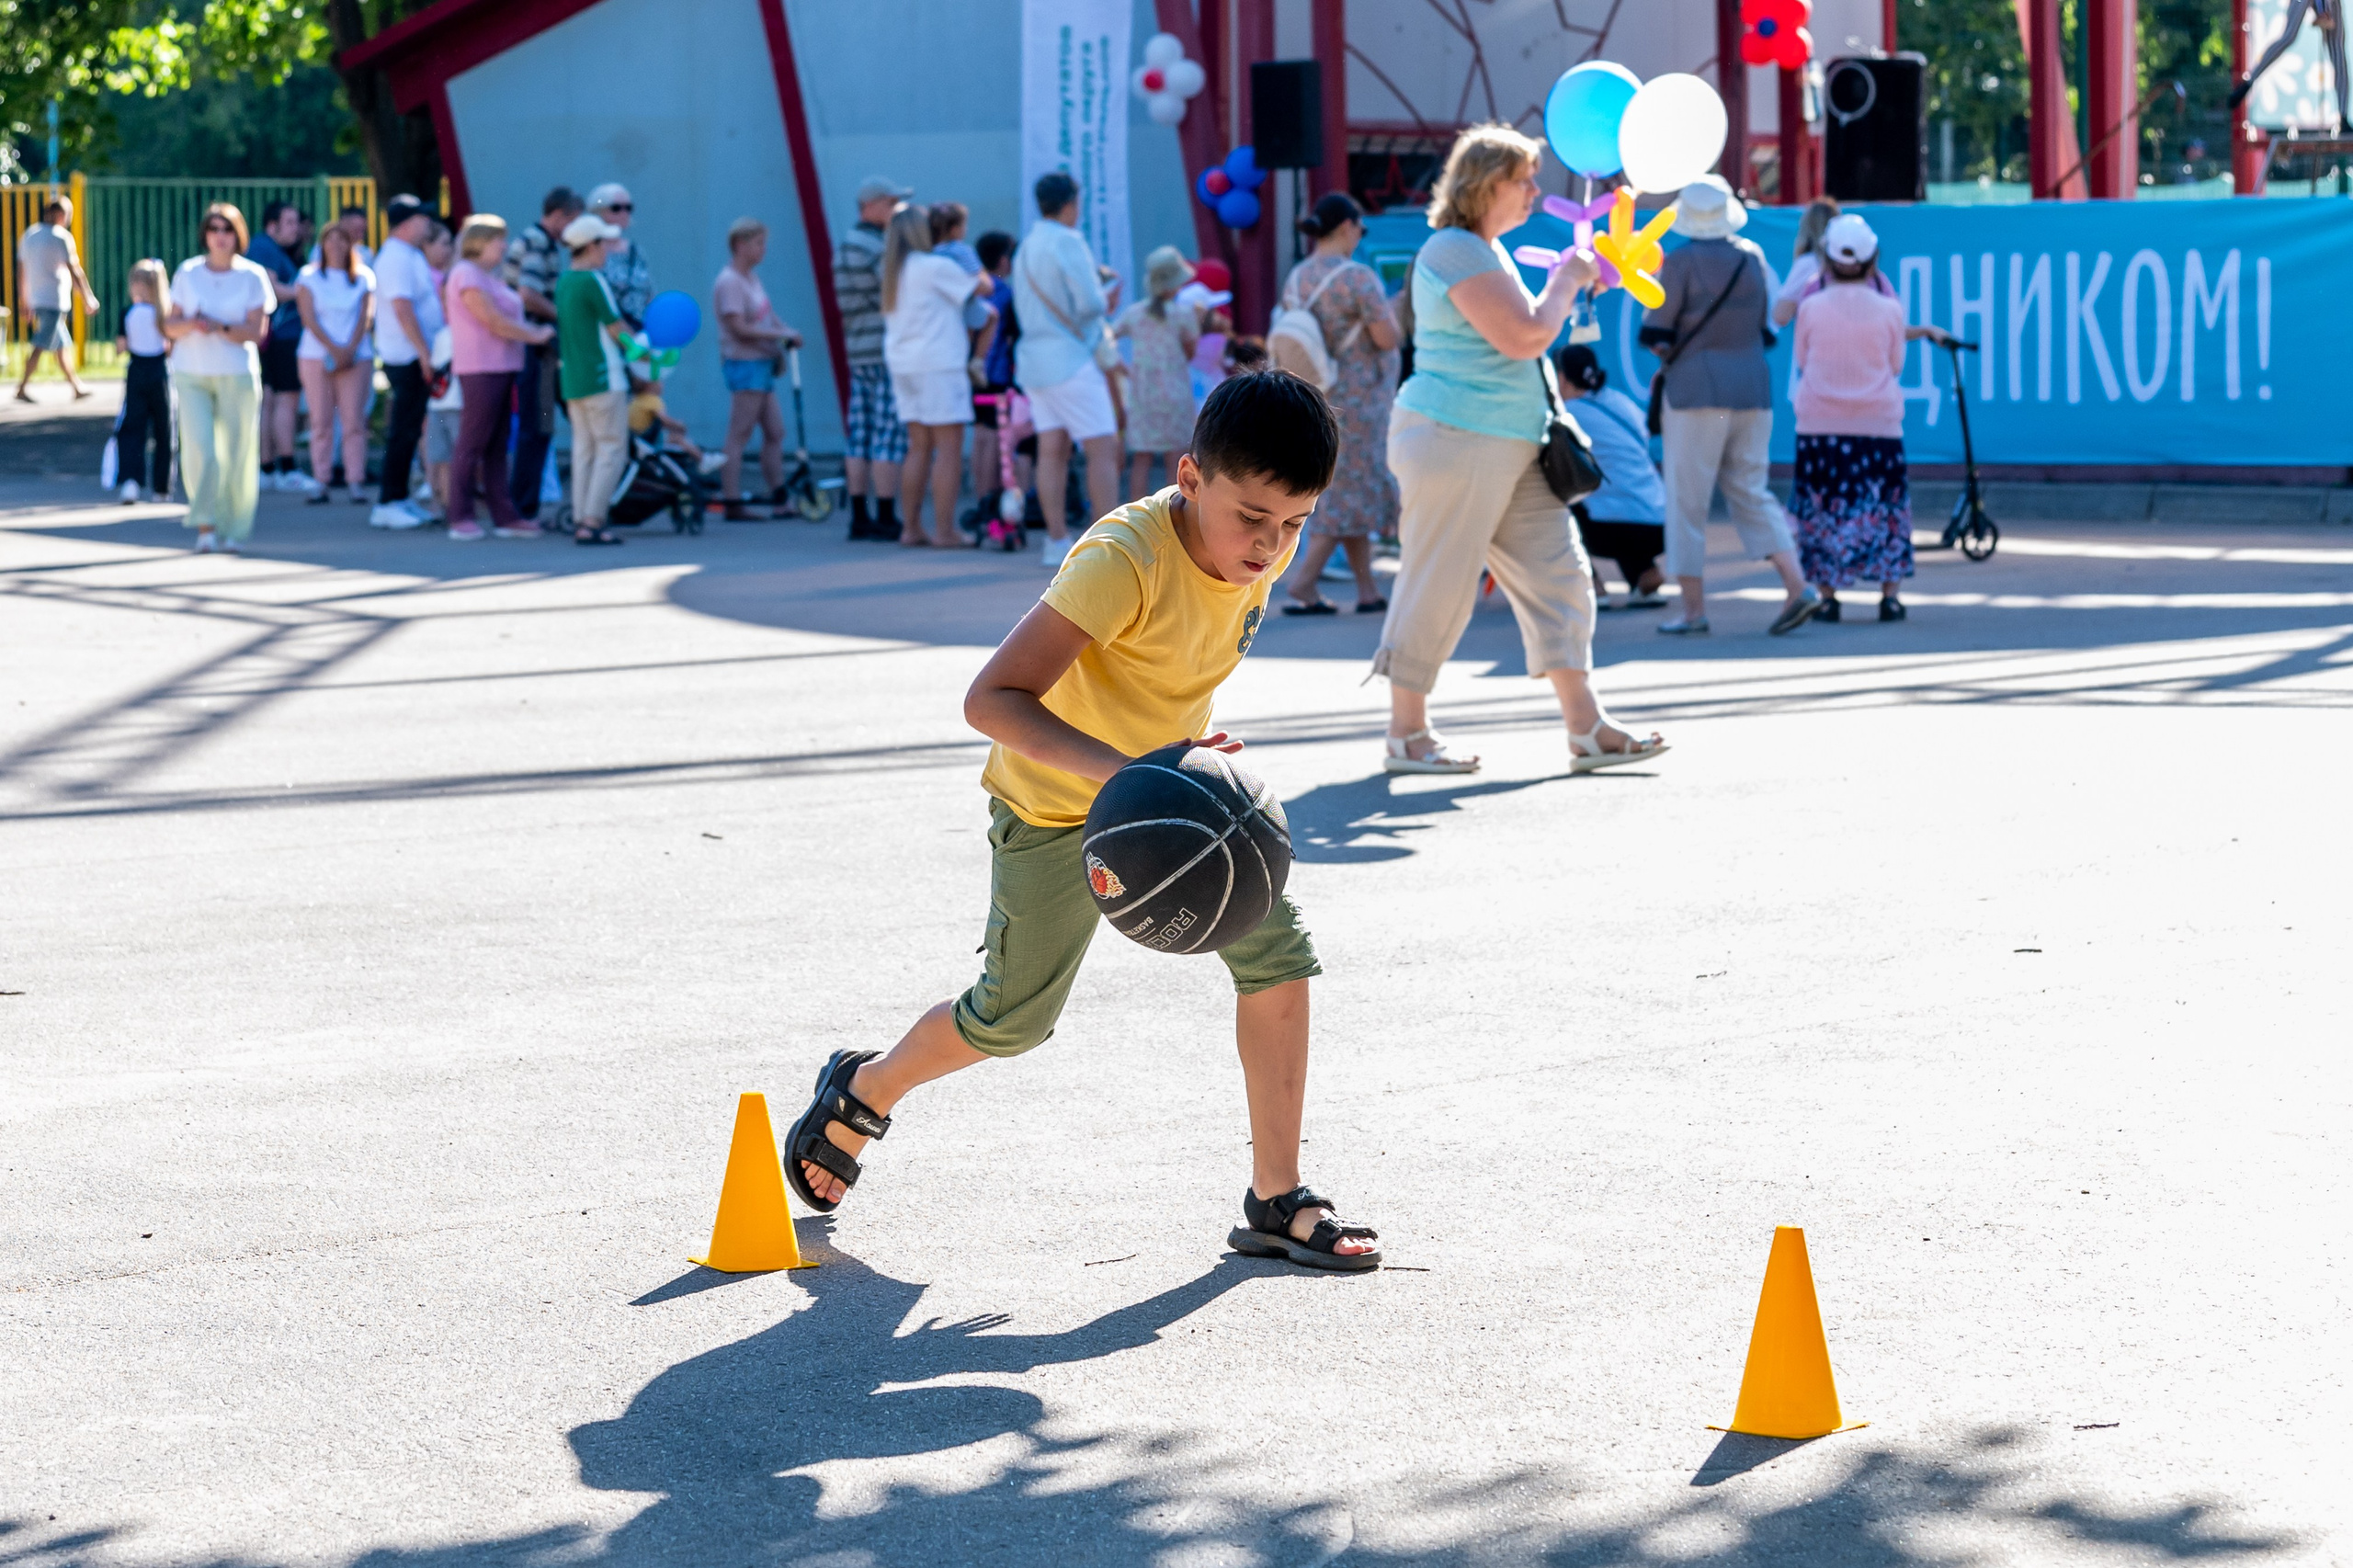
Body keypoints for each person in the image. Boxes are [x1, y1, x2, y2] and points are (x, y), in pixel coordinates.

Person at [779, 370, 1381, 1273]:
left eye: (1293, 522)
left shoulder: (1264, 544)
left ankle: (1275, 1195)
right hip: (1056, 805)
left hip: (1170, 798)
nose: (1270, 544)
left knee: (1278, 957)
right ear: (1189, 474)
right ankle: (862, 1088)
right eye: (1252, 516)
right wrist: (1135, 772)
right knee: (1011, 1019)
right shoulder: (1122, 560)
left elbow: (1170, 661)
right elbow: (992, 698)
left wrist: (1179, 749)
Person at [1371, 123, 1665, 778]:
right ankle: (1406, 733)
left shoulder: (1479, 249)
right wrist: (1565, 278)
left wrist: (1569, 287)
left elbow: (1524, 330)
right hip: (1456, 438)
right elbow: (1527, 335)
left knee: (1563, 575)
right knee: (1438, 584)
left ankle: (1587, 727)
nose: (1536, 189)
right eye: (1524, 178)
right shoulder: (1453, 248)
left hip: (1503, 442)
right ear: (1485, 184)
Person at [1642, 175, 1820, 637]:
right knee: (1751, 490)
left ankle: (1693, 609)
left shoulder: (1679, 263)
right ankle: (1797, 584)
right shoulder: (1753, 259)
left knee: (1688, 501)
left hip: (1698, 395)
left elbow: (1657, 332)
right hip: (1752, 392)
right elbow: (1768, 329)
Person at [1790, 214, 1939, 623]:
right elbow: (1895, 364)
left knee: (1823, 510)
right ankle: (1889, 597)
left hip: (1819, 424)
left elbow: (1803, 360)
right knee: (1886, 508)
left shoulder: (1811, 306)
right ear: (1874, 259)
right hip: (1879, 425)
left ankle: (1829, 594)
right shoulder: (1891, 310)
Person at [1276, 193, 1400, 618]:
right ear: (1347, 226)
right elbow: (1387, 338)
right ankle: (1303, 582)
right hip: (1359, 402)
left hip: (1314, 396)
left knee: (1350, 490)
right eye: (1360, 228)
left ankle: (1367, 591)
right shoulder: (1358, 278)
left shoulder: (1297, 277)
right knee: (1343, 495)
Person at [1012, 170, 1121, 569]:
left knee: (1051, 451)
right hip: (1071, 359)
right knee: (1101, 448)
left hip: (1035, 361)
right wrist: (1106, 291)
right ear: (1071, 203)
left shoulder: (1026, 246)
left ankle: (1056, 539)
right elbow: (1091, 304)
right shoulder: (1068, 240)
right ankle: (1109, 541)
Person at [163, 203, 275, 554]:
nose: (220, 236)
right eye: (214, 229)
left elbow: (257, 332)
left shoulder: (252, 275)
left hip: (237, 374)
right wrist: (193, 323)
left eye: (227, 229)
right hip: (192, 371)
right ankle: (205, 525)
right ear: (205, 234)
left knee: (238, 454)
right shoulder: (188, 272)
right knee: (201, 451)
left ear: (237, 233)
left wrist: (220, 327)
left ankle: (234, 529)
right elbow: (170, 325)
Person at [881, 203, 985, 549]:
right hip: (938, 364)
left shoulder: (893, 271)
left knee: (919, 447)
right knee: (949, 448)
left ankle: (911, 527)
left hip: (903, 363)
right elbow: (981, 287)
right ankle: (945, 530)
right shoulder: (934, 266)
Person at [444, 214, 553, 541]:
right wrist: (536, 334)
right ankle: (459, 514)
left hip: (503, 366)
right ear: (480, 242)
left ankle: (504, 515)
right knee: (472, 440)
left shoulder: (487, 275)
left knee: (495, 445)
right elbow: (492, 320)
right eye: (498, 240)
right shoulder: (466, 274)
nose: (504, 246)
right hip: (481, 367)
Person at [1553, 345, 1668, 610]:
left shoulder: (1565, 415)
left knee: (1557, 497)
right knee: (1613, 491)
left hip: (1611, 529)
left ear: (1560, 378)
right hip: (1658, 523)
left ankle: (1591, 584)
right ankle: (1644, 574)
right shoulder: (1618, 400)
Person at [835, 176, 910, 540]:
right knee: (887, 435)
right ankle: (884, 515)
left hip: (857, 350)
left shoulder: (848, 242)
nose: (897, 210)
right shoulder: (876, 246)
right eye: (892, 203)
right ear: (874, 205)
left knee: (859, 435)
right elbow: (895, 293)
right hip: (882, 351)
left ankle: (859, 515)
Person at [713, 216, 802, 520]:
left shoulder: (752, 279)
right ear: (741, 245)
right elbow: (739, 327)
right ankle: (732, 500)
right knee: (739, 433)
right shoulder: (729, 282)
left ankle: (778, 496)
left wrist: (786, 330)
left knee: (776, 431)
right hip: (745, 363)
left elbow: (768, 315)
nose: (764, 250)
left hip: (762, 364)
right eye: (758, 243)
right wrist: (779, 336)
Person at [506, 187, 583, 523]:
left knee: (542, 427)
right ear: (560, 216)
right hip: (538, 349)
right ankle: (522, 508)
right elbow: (528, 295)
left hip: (540, 349)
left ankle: (525, 506)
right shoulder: (538, 243)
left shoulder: (543, 242)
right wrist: (563, 316)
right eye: (574, 222)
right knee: (539, 427)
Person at [556, 212, 634, 546]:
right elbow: (617, 330)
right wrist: (645, 354)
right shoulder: (593, 281)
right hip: (605, 378)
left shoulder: (564, 281)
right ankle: (593, 519)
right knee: (612, 450)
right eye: (603, 242)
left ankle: (581, 517)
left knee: (584, 450)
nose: (607, 249)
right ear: (591, 246)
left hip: (574, 380)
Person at [368, 195, 442, 529]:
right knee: (403, 430)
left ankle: (399, 497)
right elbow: (402, 308)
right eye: (422, 218)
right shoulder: (395, 257)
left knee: (410, 431)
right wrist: (425, 354)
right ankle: (387, 501)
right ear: (408, 222)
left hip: (415, 355)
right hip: (407, 356)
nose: (428, 223)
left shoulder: (408, 255)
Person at [293, 223, 377, 508]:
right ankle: (321, 480)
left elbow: (365, 316)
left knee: (353, 420)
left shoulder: (363, 277)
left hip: (356, 357)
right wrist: (333, 349)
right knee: (321, 421)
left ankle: (355, 480)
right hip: (317, 355)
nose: (336, 246)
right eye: (330, 240)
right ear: (322, 244)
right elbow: (309, 318)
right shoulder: (309, 276)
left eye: (342, 240)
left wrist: (349, 350)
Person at [1112, 246, 1201, 503]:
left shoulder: (1135, 313)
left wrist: (1122, 368)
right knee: (1176, 457)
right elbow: (1190, 351)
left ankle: (1133, 517)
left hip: (1143, 393)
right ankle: (1174, 513)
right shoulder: (1184, 314)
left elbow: (1106, 338)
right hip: (1175, 392)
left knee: (1141, 458)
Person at [247, 201, 310, 493]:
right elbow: (272, 289)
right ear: (272, 225)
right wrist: (308, 291)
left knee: (272, 400)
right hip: (281, 336)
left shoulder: (273, 249)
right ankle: (284, 466)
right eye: (290, 223)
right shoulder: (264, 248)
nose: (296, 229)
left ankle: (268, 466)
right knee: (285, 400)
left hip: (276, 336)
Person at [14, 196, 99, 403]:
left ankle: (76, 386)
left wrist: (24, 300)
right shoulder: (61, 237)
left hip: (37, 299)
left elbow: (21, 271)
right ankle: (22, 387)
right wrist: (88, 297)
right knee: (41, 343)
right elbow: (74, 270)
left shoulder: (30, 234)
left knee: (61, 347)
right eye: (68, 215)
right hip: (54, 300)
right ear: (61, 215)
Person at [108, 259, 174, 504]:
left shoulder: (128, 312)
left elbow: (120, 347)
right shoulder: (164, 314)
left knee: (132, 428)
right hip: (160, 371)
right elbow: (170, 348)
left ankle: (130, 481)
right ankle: (162, 487)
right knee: (164, 429)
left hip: (137, 371)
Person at [969, 231, 1021, 515]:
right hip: (996, 375)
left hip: (973, 373)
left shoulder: (976, 290)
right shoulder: (1006, 293)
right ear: (1004, 260)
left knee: (979, 436)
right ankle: (990, 497)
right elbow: (1011, 337)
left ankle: (980, 496)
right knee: (992, 436)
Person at [585, 183, 652, 326]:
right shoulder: (590, 249)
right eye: (616, 208)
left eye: (628, 208)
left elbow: (648, 292)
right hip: (606, 331)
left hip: (638, 331)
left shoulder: (635, 251)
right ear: (599, 211)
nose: (624, 213)